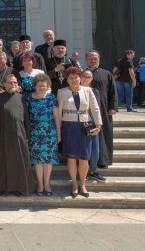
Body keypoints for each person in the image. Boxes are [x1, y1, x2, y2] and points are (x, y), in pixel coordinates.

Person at [58, 67, 102, 198]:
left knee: (84, 158)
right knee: (71, 158)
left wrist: (98, 125)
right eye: (71, 78)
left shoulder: (88, 91)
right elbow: (59, 113)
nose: (74, 80)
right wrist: (59, 129)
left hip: (85, 126)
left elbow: (95, 108)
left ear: (80, 78)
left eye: (76, 77)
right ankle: (74, 185)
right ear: (67, 80)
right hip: (69, 126)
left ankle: (82, 184)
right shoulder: (61, 92)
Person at [0, 74, 34, 196]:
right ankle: (5, 189)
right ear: (4, 84)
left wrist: (27, 134)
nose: (13, 84)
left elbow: (26, 117)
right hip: (3, 136)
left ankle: (20, 188)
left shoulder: (21, 98)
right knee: (4, 163)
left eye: (15, 82)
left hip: (20, 134)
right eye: (10, 82)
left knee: (20, 162)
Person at [25, 73, 60, 196]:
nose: (41, 88)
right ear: (35, 86)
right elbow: (26, 117)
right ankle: (40, 184)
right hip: (35, 133)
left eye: (44, 86)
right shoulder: (29, 98)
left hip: (49, 133)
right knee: (38, 161)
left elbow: (56, 117)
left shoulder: (52, 98)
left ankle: (47, 184)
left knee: (48, 160)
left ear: (48, 86)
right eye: (39, 86)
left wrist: (59, 134)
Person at [86, 50, 117, 167]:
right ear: (86, 60)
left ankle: (103, 160)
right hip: (86, 109)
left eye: (95, 58)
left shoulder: (106, 74)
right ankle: (88, 161)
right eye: (90, 58)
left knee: (104, 134)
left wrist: (113, 107)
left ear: (99, 59)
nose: (92, 60)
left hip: (103, 108)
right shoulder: (82, 73)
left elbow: (113, 91)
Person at [81, 69, 106, 182]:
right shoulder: (74, 90)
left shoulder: (95, 91)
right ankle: (82, 171)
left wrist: (98, 124)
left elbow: (96, 108)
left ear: (91, 79)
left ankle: (93, 170)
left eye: (88, 77)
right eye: (84, 76)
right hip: (78, 122)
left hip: (91, 123)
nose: (86, 79)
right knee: (82, 149)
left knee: (95, 148)